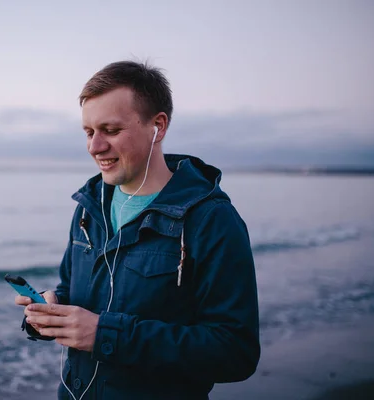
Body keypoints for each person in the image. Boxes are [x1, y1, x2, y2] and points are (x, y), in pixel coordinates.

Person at [15, 60, 260, 400]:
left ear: (157, 126)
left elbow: (235, 352)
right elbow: (74, 292)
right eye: (89, 132)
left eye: (111, 131)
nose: (94, 147)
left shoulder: (211, 219)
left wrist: (105, 335)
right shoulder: (89, 207)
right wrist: (50, 311)